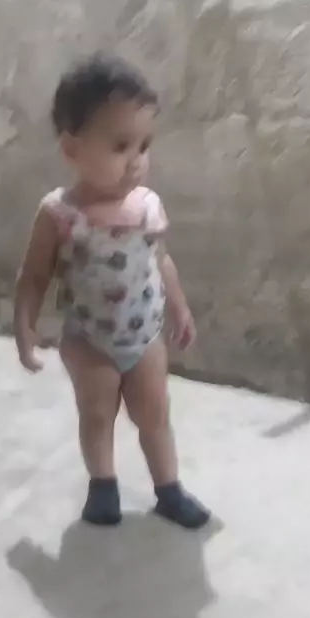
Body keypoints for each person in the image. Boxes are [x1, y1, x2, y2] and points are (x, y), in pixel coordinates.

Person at [14, 54, 210, 529]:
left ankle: (169, 489)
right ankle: (103, 486)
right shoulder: (59, 214)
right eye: (121, 145)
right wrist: (24, 325)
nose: (137, 160)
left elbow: (160, 260)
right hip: (89, 340)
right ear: (72, 149)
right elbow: (34, 275)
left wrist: (180, 308)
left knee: (154, 415)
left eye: (144, 145)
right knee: (97, 413)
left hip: (145, 338)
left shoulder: (147, 206)